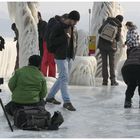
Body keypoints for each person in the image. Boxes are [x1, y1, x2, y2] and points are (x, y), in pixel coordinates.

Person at [45, 10, 80, 111]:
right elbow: (51, 42)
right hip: (60, 56)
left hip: (69, 56)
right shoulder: (58, 27)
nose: (76, 23)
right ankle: (67, 102)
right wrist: (64, 37)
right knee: (64, 78)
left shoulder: (73, 28)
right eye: (75, 21)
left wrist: (73, 54)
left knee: (62, 78)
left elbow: (74, 42)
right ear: (70, 19)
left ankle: (50, 97)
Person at [98, 15, 123, 86]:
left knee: (104, 64)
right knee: (112, 64)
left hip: (102, 45)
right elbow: (117, 39)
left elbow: (99, 31)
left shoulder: (107, 21)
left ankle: (105, 81)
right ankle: (113, 81)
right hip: (111, 47)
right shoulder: (118, 26)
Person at [38, 11, 56, 77]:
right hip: (47, 44)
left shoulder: (44, 24)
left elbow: (42, 36)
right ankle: (50, 76)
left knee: (45, 61)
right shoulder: (46, 24)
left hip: (45, 44)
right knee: (49, 61)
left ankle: (44, 75)